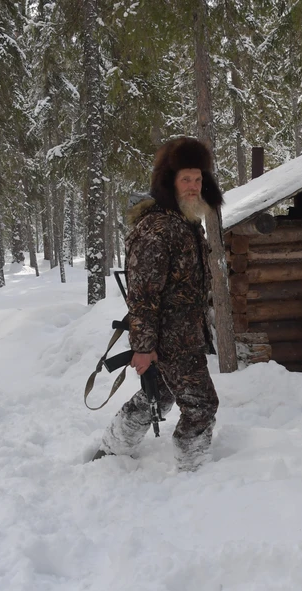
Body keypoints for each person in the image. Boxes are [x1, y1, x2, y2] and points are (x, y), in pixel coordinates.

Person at [91, 137, 221, 470]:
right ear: (169, 182)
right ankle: (194, 469)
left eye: (197, 178)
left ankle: (112, 449)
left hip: (185, 335)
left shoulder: (187, 222)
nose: (193, 186)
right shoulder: (157, 229)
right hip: (170, 340)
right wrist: (144, 347)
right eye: (185, 179)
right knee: (201, 405)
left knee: (160, 396)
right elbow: (143, 297)